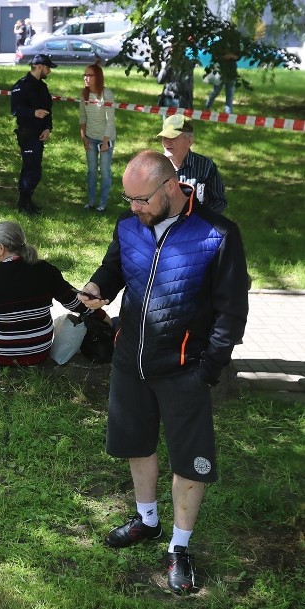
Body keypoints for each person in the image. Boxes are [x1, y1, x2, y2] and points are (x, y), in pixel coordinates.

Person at [78, 150, 248, 595]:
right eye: (128, 199)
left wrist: (208, 369)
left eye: (142, 200)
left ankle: (179, 545)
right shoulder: (128, 224)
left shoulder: (218, 234)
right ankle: (148, 520)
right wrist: (98, 287)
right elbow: (115, 267)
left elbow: (232, 311)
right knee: (137, 444)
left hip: (184, 370)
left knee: (189, 460)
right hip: (129, 360)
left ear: (171, 187)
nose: (134, 208)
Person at [0, 221, 104, 366]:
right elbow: (75, 303)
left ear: (0, 248)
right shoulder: (45, 270)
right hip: (38, 352)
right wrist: (98, 310)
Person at [10, 54, 56, 215]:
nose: (49, 71)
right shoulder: (21, 86)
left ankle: (27, 201)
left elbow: (49, 110)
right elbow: (16, 109)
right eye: (48, 68)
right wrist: (33, 112)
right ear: (40, 67)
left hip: (39, 134)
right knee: (31, 169)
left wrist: (48, 128)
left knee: (35, 170)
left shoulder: (43, 87)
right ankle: (23, 204)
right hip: (27, 133)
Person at [157, 114, 227, 214]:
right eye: (164, 137)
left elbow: (219, 202)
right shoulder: (155, 166)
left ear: (189, 141)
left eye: (172, 137)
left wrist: (197, 218)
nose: (166, 142)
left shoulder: (206, 166)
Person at [79, 63, 116, 212]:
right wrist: (84, 137)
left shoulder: (107, 94)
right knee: (92, 171)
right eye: (85, 75)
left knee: (105, 171)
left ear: (98, 77)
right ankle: (91, 201)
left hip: (106, 138)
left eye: (89, 75)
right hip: (90, 137)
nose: (86, 78)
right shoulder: (83, 94)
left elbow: (110, 120)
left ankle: (103, 203)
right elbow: (82, 117)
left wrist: (106, 141)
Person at [204, 34, 240, 114]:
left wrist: (232, 56)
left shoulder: (235, 45)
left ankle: (228, 113)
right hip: (221, 72)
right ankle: (207, 107)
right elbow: (215, 56)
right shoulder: (219, 44)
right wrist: (225, 57)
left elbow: (238, 56)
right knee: (215, 91)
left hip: (232, 72)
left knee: (230, 93)